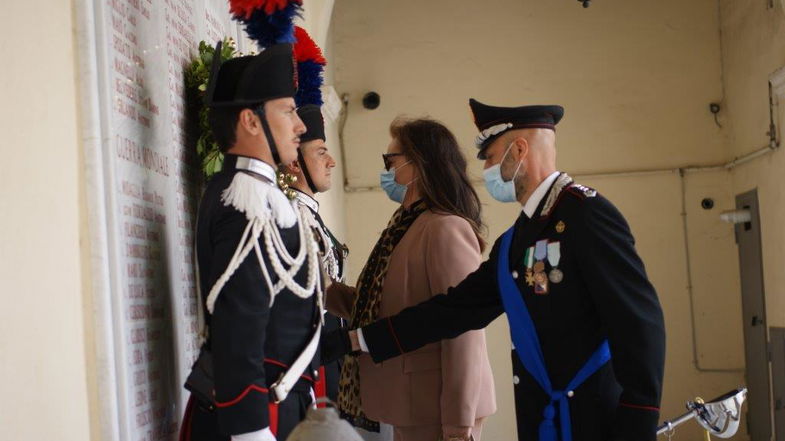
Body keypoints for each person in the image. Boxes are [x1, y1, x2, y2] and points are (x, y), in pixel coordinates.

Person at [330, 99, 666, 441]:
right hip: (543, 414)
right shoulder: (516, 240)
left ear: (518, 150)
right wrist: (358, 339)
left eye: (490, 157)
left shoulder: (585, 215)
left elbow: (637, 320)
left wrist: (639, 419)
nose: (486, 169)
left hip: (595, 416)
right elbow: (456, 310)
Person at [179, 43, 322, 441]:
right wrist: (251, 431)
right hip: (255, 416)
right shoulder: (245, 200)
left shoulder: (259, 194)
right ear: (251, 121)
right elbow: (238, 328)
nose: (300, 126)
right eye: (288, 111)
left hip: (280, 405)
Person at [326, 117, 497, 441]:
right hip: (412, 403)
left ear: (417, 165)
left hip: (439, 409)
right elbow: (380, 308)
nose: (386, 171)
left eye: (390, 161)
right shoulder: (404, 226)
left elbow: (463, 332)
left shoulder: (444, 228)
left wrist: (458, 426)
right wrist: (322, 289)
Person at [282, 104, 349, 403]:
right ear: (295, 164)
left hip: (331, 352)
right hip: (314, 355)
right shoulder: (292, 216)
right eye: (321, 152)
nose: (332, 161)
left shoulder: (309, 214)